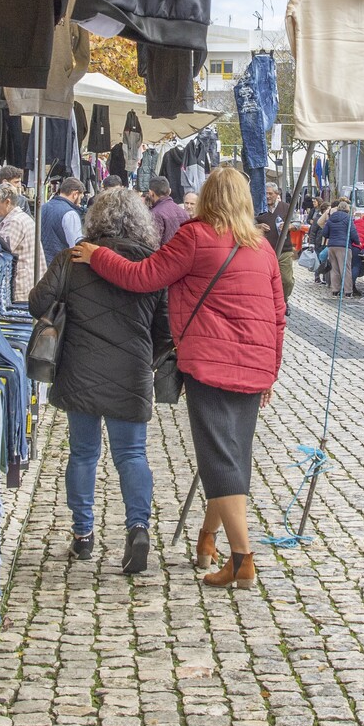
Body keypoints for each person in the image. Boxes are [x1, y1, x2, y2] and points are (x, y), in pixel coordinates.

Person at [72, 166, 286, 588]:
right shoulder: (262, 247)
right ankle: (207, 541)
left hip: (211, 362)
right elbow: (279, 316)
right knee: (232, 456)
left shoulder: (196, 236)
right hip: (254, 366)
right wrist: (270, 374)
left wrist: (98, 255)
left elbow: (143, 276)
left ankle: (243, 559)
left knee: (218, 459)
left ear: (207, 197)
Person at [31, 187, 167, 574]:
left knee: (84, 453)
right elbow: (167, 326)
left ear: (94, 219)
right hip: (132, 370)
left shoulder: (73, 258)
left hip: (80, 369)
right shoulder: (153, 264)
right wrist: (148, 356)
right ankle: (138, 528)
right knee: (132, 454)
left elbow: (38, 304)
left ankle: (83, 535)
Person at [0, 183, 40, 293]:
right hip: (27, 280)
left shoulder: (14, 222)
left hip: (22, 283)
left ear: (7, 202)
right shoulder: (21, 218)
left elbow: (2, 250)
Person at [39, 175, 86, 265]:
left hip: (41, 262)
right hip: (59, 265)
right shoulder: (70, 214)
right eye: (80, 197)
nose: (80, 201)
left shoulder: (43, 208)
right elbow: (76, 246)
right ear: (75, 194)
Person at [320, 199, 356, 295]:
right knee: (345, 268)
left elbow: (324, 232)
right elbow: (352, 232)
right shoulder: (348, 218)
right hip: (344, 246)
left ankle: (335, 290)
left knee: (334, 268)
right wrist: (357, 241)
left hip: (332, 246)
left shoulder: (331, 217)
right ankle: (348, 291)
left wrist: (331, 237)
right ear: (347, 208)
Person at [146, 177, 189, 247]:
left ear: (151, 193)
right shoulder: (183, 212)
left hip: (164, 255)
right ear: (169, 191)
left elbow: (153, 244)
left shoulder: (155, 214)